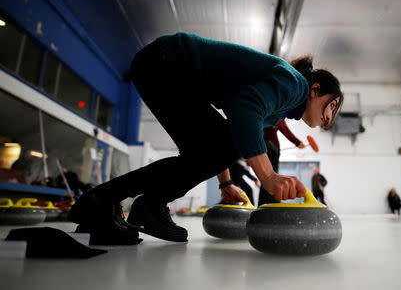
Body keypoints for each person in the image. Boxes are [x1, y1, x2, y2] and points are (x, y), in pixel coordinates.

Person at [68, 32, 344, 245]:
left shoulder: (282, 107)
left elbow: (231, 132)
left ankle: (117, 203)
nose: (327, 120)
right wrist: (268, 177)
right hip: (165, 64)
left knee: (213, 149)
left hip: (163, 66)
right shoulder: (295, 85)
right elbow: (244, 111)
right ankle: (118, 203)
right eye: (332, 106)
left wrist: (225, 183)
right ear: (315, 89)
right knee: (224, 145)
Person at [258, 119, 305, 206]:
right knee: (271, 176)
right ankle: (272, 202)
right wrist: (297, 142)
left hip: (263, 147)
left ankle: (264, 203)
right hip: (272, 147)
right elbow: (284, 129)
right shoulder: (277, 113)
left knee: (265, 177)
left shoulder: (263, 113)